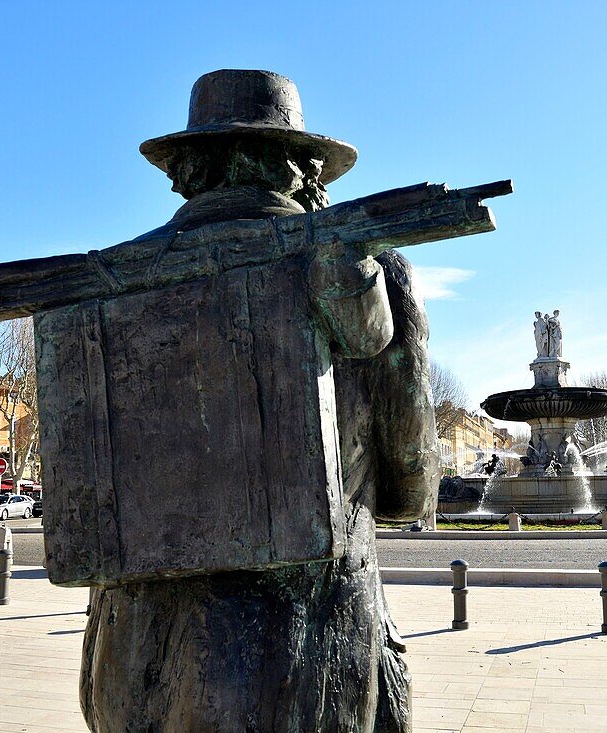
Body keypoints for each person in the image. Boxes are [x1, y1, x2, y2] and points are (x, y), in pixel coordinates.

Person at [79, 70, 438, 733]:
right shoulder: (374, 273)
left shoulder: (104, 283)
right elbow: (409, 489)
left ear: (186, 170)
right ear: (304, 169)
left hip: (135, 656)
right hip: (308, 653)